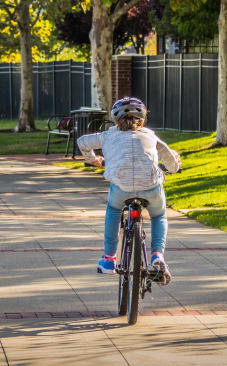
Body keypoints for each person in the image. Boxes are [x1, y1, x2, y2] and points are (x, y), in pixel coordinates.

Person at [77, 97, 182, 284]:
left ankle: (109, 259)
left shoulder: (107, 135)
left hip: (121, 189)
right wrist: (174, 168)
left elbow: (82, 142)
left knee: (113, 211)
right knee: (158, 216)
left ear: (115, 120)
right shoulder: (150, 135)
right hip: (151, 187)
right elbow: (168, 155)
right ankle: (157, 255)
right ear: (142, 120)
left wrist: (93, 160)